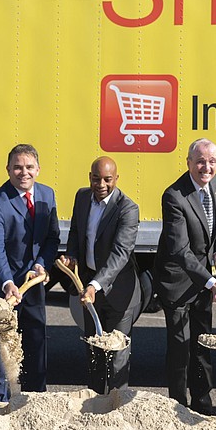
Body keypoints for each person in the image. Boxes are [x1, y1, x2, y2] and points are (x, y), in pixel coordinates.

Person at [154, 138, 216, 415]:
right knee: (180, 350)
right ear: (188, 163)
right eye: (200, 161)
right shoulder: (174, 195)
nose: (206, 167)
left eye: (211, 161)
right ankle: (178, 409)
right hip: (177, 281)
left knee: (202, 346)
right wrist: (211, 282)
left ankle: (204, 407)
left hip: (202, 280)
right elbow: (179, 249)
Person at [0, 143, 60, 400]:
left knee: (36, 342)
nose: (23, 172)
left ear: (38, 169)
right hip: (3, 286)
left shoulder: (47, 195)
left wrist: (41, 264)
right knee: (0, 346)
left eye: (28, 167)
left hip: (32, 283)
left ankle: (34, 400)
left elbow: (52, 238)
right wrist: (6, 282)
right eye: (17, 167)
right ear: (8, 169)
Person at [59, 156, 141, 394]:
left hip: (119, 293)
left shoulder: (128, 208)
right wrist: (72, 255)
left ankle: (117, 413)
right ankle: (94, 409)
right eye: (96, 179)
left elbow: (120, 253)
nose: (101, 184)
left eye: (107, 179)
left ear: (116, 179)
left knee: (116, 359)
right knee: (94, 354)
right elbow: (76, 232)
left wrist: (95, 285)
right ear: (90, 177)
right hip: (89, 289)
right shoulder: (82, 197)